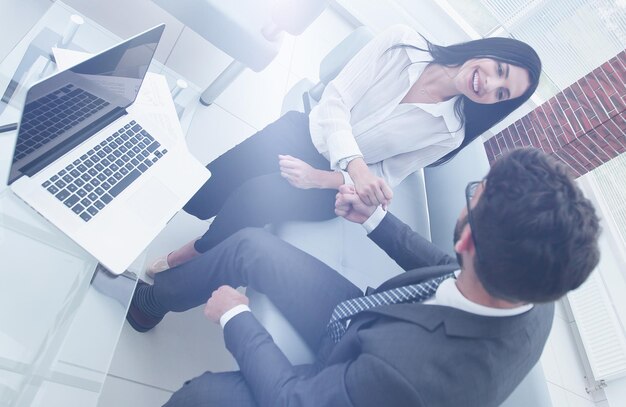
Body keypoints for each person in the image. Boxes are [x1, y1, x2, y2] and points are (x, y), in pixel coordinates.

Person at [126, 148, 600, 407]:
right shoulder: (534, 283)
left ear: (470, 241)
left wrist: (237, 317)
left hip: (357, 375)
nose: (471, 194)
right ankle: (152, 303)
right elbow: (450, 265)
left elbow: (295, 401)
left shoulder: (412, 378)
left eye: (476, 193)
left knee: (201, 399)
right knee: (251, 245)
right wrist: (376, 221)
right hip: (368, 320)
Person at [145, 24, 542, 281]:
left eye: (501, 94)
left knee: (252, 198)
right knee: (209, 189)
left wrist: (324, 178)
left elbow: (386, 175)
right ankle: (146, 211)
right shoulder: (401, 43)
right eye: (500, 71)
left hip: (332, 189)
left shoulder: (450, 132)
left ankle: (196, 252)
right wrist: (352, 163)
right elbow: (334, 101)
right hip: (307, 134)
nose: (489, 86)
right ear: (492, 50)